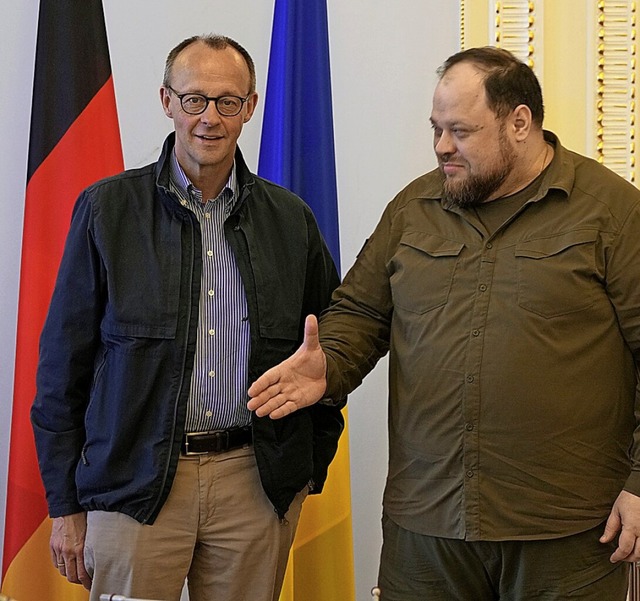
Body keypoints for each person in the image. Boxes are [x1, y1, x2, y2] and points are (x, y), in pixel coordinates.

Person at [248, 46, 640, 600]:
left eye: (460, 131)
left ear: (519, 123)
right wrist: (329, 362)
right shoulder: (412, 209)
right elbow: (360, 312)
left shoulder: (613, 212)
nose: (440, 147)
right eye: (435, 128)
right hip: (427, 523)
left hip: (565, 528)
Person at [31, 34, 344, 601]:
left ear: (250, 107)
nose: (210, 118)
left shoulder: (291, 220)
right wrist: (65, 506)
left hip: (254, 482)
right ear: (166, 101)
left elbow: (329, 349)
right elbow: (61, 369)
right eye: (194, 99)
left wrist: (304, 471)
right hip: (134, 482)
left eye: (228, 101)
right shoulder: (107, 210)